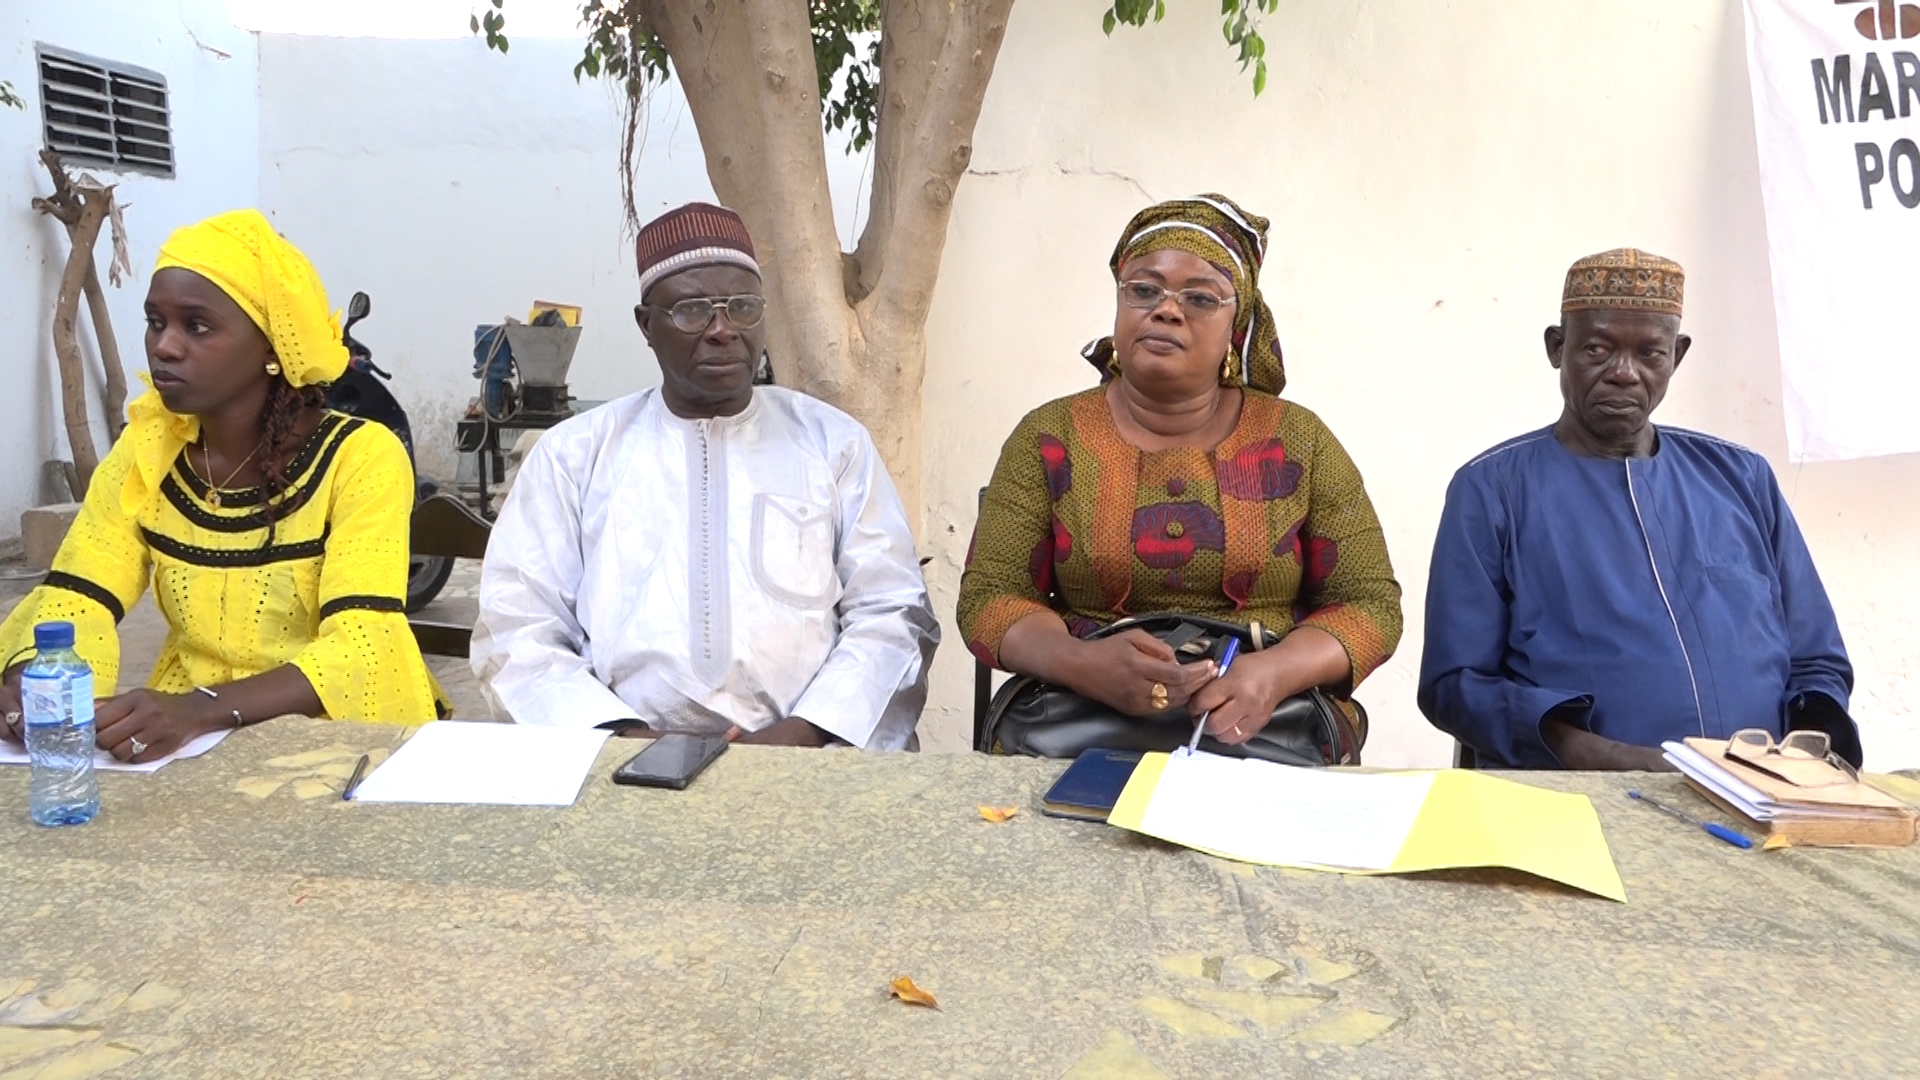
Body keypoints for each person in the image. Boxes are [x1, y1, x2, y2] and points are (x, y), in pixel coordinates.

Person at [471, 202, 938, 749]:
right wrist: (621, 736)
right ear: (647, 325)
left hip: (811, 763)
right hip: (618, 764)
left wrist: (805, 733)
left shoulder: (832, 443)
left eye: (742, 307)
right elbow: (518, 627)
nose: (722, 330)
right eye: (692, 311)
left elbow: (893, 611)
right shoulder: (575, 455)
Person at [956, 195, 1402, 752]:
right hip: (1076, 720)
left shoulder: (1300, 441)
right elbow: (989, 599)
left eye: (1200, 298)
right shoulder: (1050, 437)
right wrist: (1084, 663)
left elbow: (1371, 605)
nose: (1167, 309)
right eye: (1143, 290)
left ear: (1236, 327)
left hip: (1268, 727)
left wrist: (1274, 675)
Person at [0, 209, 443, 764]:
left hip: (342, 741)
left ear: (271, 348)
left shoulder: (360, 456)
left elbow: (362, 645)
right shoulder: (148, 451)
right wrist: (32, 674)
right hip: (189, 748)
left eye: (197, 326)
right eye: (155, 321)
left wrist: (200, 709)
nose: (164, 346)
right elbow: (75, 594)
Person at [1418, 248, 1860, 770]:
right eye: (1598, 349)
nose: (1624, 374)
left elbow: (1816, 660)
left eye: (1650, 353)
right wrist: (1613, 758)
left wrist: (1805, 761)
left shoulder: (1742, 478)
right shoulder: (1491, 490)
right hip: (1577, 800)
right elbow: (1455, 683)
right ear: (1558, 348)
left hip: (1762, 799)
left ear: (1677, 354)